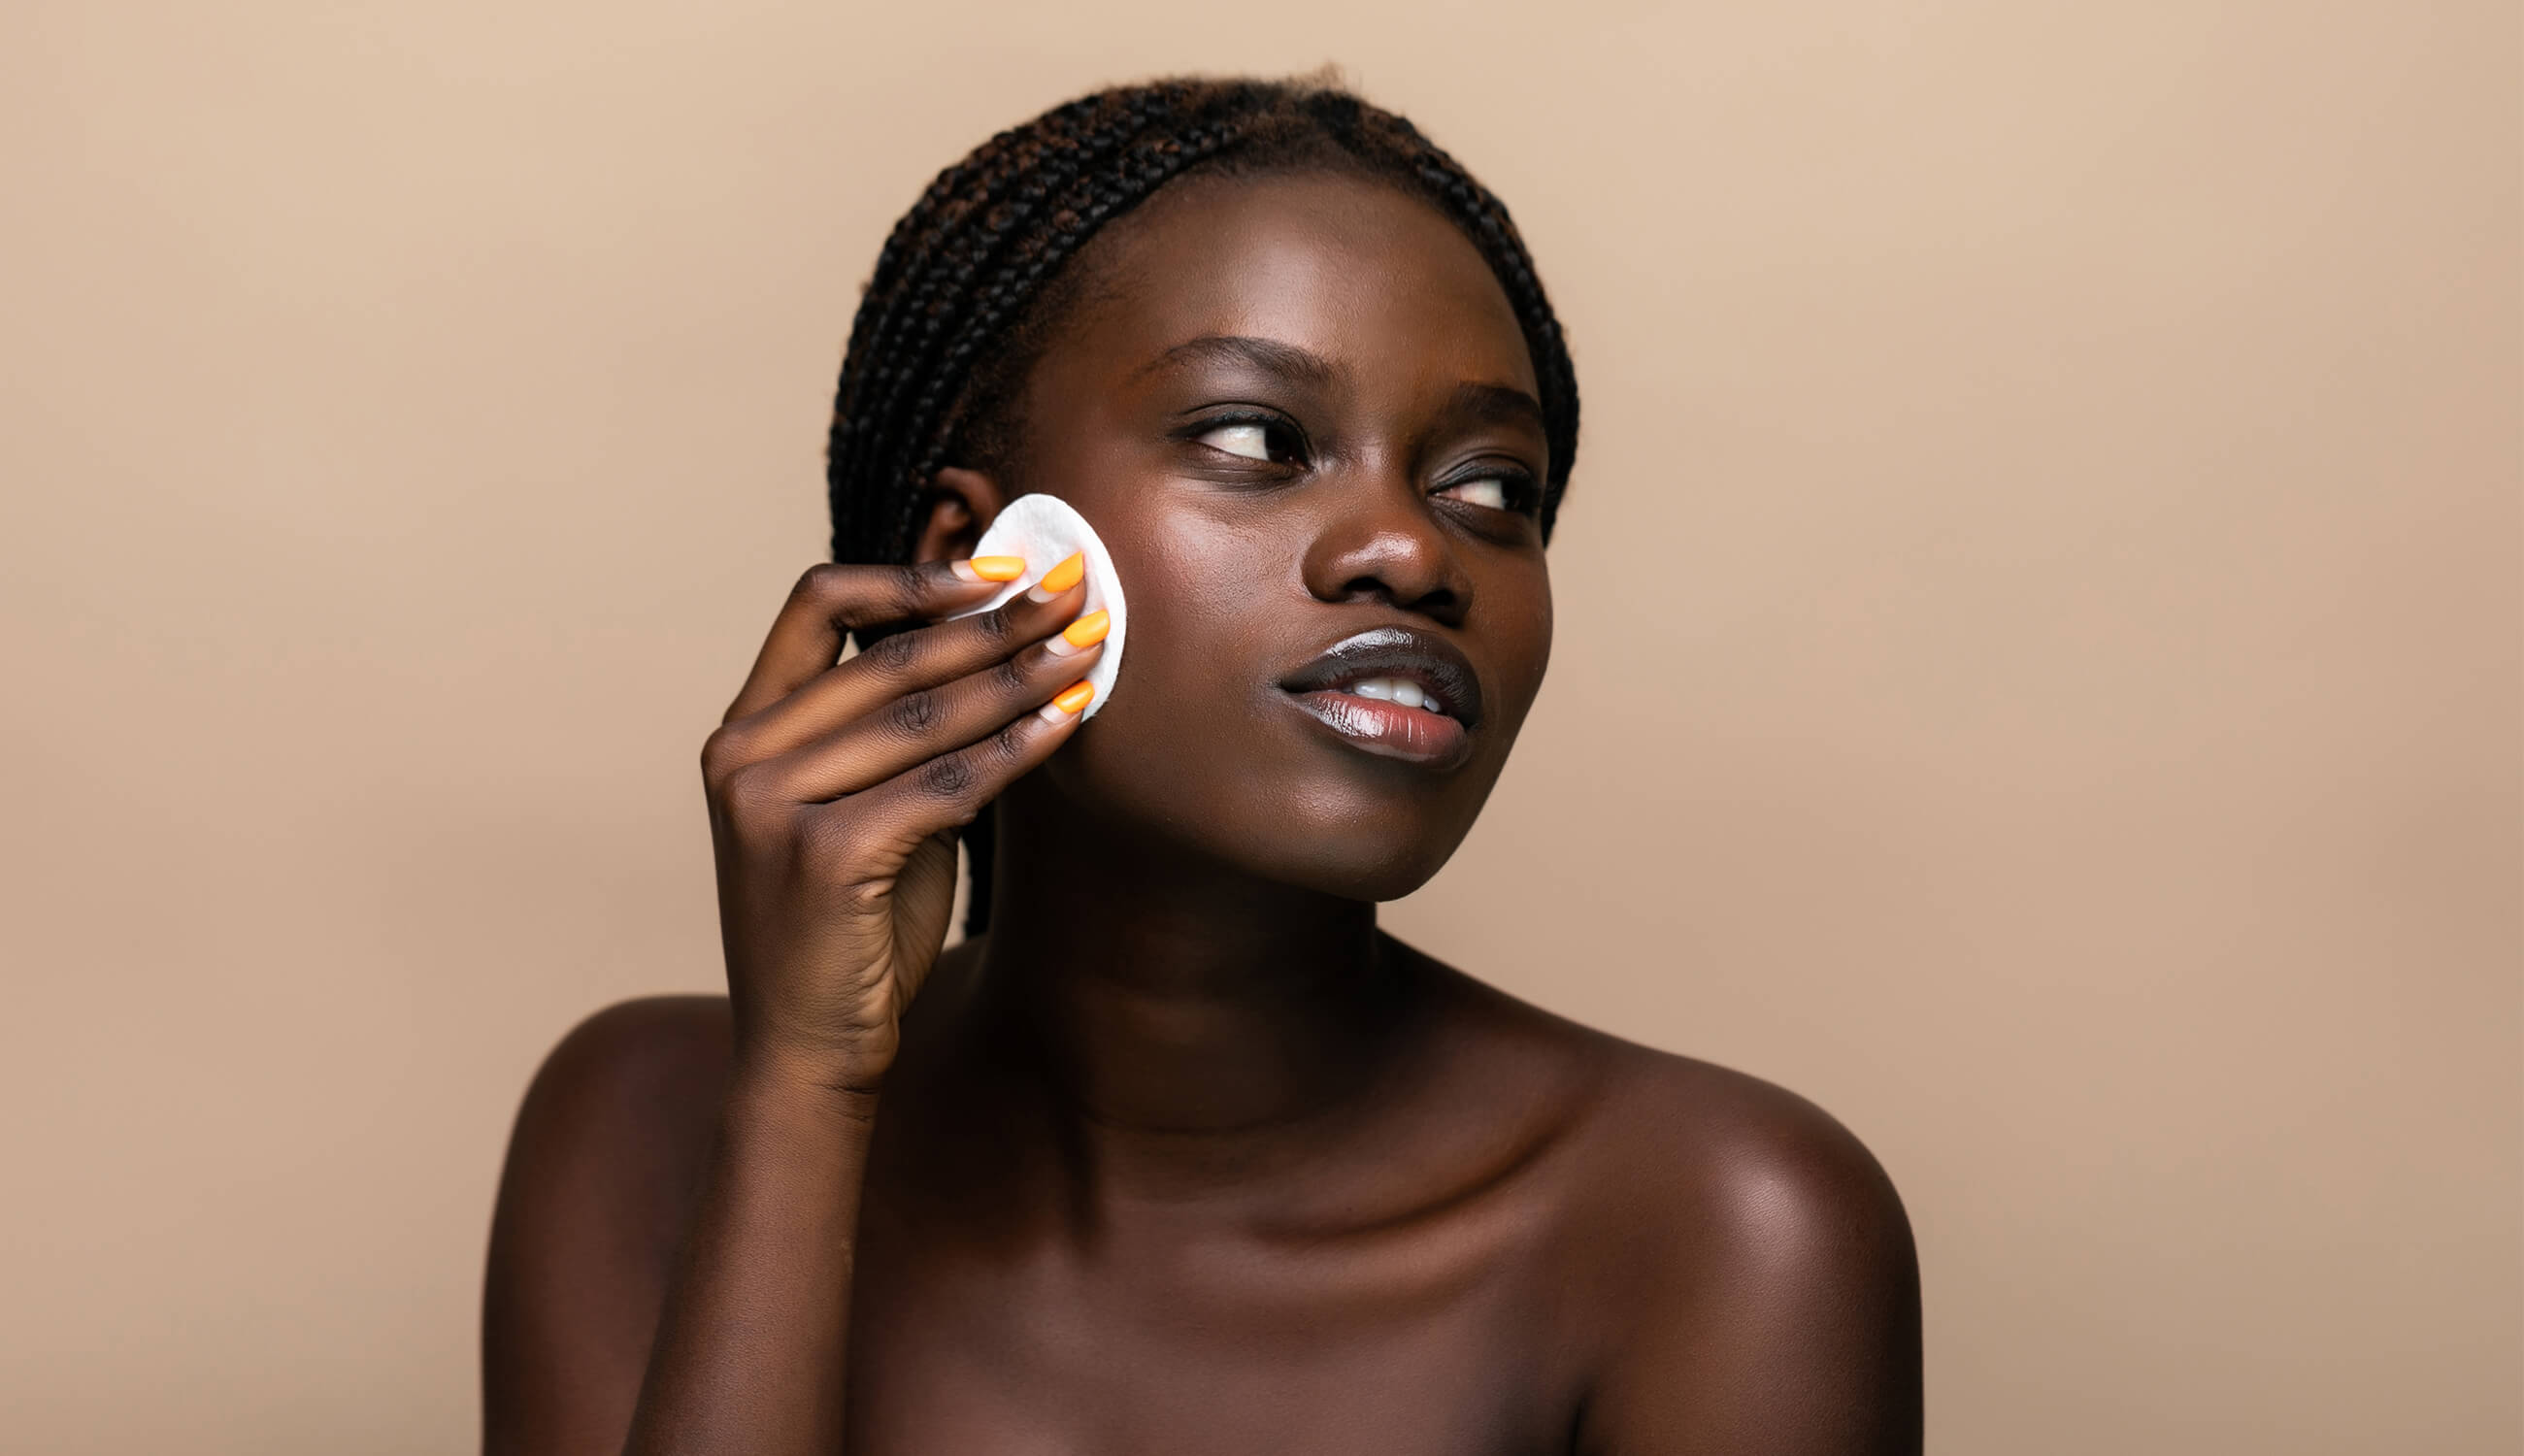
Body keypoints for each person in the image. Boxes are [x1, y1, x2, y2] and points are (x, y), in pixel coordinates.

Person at [482, 74, 1922, 1455]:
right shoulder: (647, 1130)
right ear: (977, 567)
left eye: (1492, 487)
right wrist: (805, 1091)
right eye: (1258, 438)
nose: (1414, 552)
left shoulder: (1720, 1232)